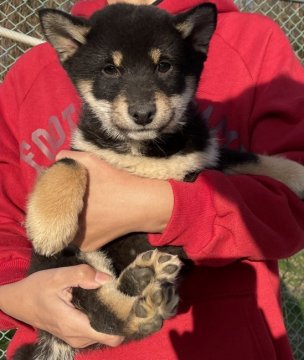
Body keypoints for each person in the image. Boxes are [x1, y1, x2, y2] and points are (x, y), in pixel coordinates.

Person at [0, 0, 304, 359]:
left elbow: (287, 209)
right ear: (70, 50)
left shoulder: (254, 43)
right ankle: (113, 306)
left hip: (215, 344)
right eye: (110, 72)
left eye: (163, 66)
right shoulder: (26, 78)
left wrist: (158, 205)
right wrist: (15, 295)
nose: (141, 105)